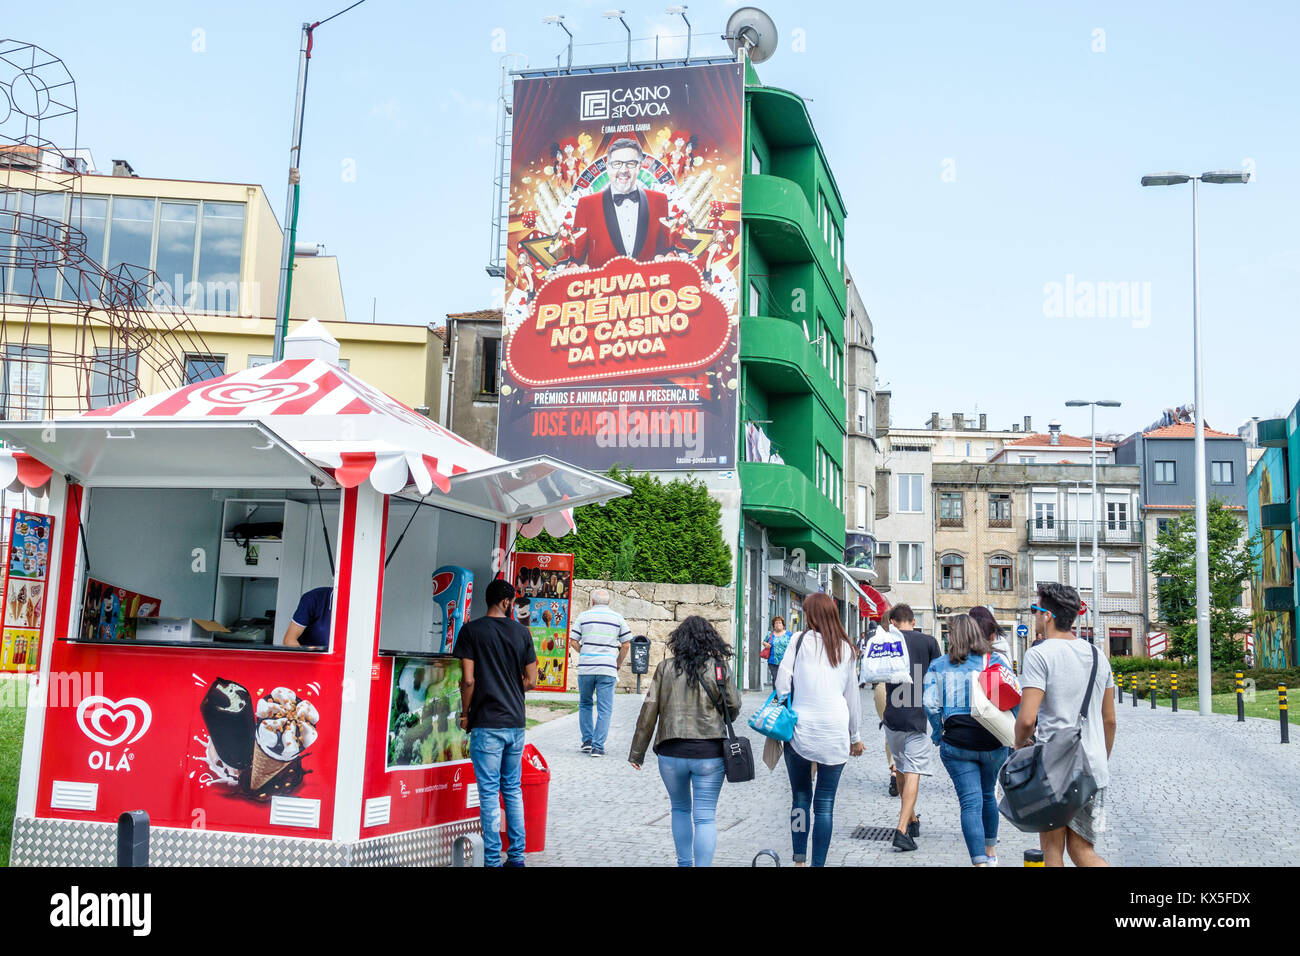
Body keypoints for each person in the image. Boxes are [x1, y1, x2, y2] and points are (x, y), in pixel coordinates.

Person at [1015, 582, 1117, 867]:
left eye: (1036, 609)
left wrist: (1017, 746)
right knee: (1082, 851)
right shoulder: (1099, 656)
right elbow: (1109, 720)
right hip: (1093, 765)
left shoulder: (1039, 654)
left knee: (1052, 850)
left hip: (1054, 768)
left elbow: (1026, 719)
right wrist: (1099, 760)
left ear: (1047, 615)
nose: (1034, 615)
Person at [629, 616, 741, 867]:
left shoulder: (665, 668)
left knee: (680, 810)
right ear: (710, 640)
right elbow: (733, 706)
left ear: (679, 641)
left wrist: (637, 753)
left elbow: (649, 711)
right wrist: (721, 717)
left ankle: (684, 864)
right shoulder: (719, 668)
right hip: (710, 753)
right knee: (705, 818)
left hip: (671, 752)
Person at [774, 592, 865, 867]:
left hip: (801, 728)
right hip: (835, 729)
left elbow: (781, 683)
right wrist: (856, 736)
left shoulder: (798, 642)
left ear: (811, 614)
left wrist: (788, 700)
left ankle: (799, 861)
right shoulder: (846, 648)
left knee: (801, 798)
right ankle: (818, 864)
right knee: (825, 804)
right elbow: (853, 696)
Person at [455, 579, 539, 867]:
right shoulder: (522, 633)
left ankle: (491, 860)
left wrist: (466, 713)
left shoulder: (471, 631)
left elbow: (468, 679)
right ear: (506, 603)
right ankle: (516, 858)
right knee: (512, 790)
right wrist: (512, 687)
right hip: (515, 722)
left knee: (489, 792)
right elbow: (532, 680)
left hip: (486, 722)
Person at [923, 613, 1014, 866]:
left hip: (957, 744)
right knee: (988, 795)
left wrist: (939, 733)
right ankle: (991, 853)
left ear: (952, 638)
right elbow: (1014, 698)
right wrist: (1017, 735)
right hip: (994, 743)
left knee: (969, 804)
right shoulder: (994, 660)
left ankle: (980, 863)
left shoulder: (938, 665)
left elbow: (930, 705)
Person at [881, 604, 941, 852]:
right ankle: (902, 830)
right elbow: (939, 675)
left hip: (892, 716)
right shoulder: (928, 642)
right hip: (917, 715)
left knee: (903, 769)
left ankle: (913, 819)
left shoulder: (887, 643)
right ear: (913, 621)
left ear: (893, 622)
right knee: (913, 771)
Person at [569, 138, 672, 267]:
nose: (623, 170)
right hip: (602, 285)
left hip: (650, 285)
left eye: (630, 163)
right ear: (607, 167)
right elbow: (575, 258)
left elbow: (666, 249)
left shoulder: (660, 200)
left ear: (639, 167)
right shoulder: (586, 205)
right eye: (617, 163)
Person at [568, 587, 631, 756]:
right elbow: (626, 644)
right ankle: (597, 746)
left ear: (592, 601)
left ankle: (587, 741)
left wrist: (585, 653)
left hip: (586, 667)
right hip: (607, 668)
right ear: (609, 602)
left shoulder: (583, 616)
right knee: (605, 709)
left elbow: (573, 640)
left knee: (585, 703)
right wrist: (617, 663)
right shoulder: (617, 618)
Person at [760, 615, 791, 687]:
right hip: (773, 661)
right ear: (774, 626)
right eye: (776, 623)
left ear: (783, 625)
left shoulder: (789, 635)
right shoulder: (770, 634)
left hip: (786, 661)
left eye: (779, 623)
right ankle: (776, 696)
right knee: (776, 678)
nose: (778, 625)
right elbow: (764, 641)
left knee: (784, 679)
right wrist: (766, 644)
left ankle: (783, 695)